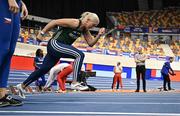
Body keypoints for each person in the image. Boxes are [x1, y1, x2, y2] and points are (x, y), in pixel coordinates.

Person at [16, 12, 105, 98]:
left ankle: (22, 85)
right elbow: (54, 22)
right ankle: (75, 82)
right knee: (79, 55)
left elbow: (91, 43)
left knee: (43, 69)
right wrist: (42, 33)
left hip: (57, 49)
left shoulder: (84, 30)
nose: (92, 27)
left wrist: (99, 35)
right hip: (55, 44)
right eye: (93, 25)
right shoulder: (75, 22)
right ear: (87, 20)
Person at [0, 0, 28, 107]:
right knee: (2, 49)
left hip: (16, 4)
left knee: (9, 51)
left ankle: (1, 95)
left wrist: (21, 3)